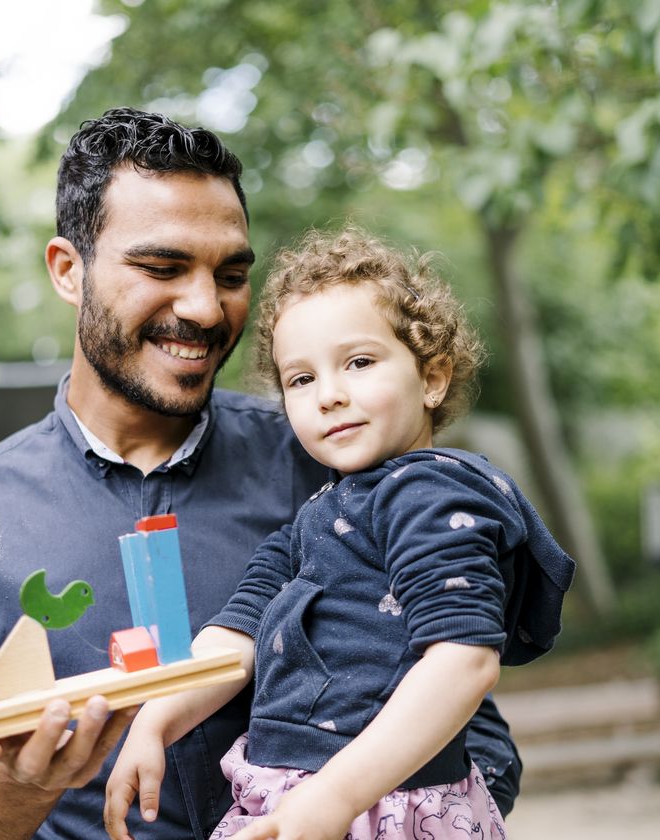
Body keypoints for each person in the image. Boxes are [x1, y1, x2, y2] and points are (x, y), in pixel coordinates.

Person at [0, 109, 524, 840]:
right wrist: (19, 791)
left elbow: (474, 724)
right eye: (162, 268)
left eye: (233, 274)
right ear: (68, 269)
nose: (205, 308)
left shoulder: (339, 467)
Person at [105, 228, 575, 840]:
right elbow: (236, 637)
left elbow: (464, 662)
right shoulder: (317, 515)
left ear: (432, 377)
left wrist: (335, 796)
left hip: (381, 803)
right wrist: (157, 720)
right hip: (291, 800)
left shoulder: (431, 496)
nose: (329, 395)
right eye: (300, 379)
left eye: (359, 362)